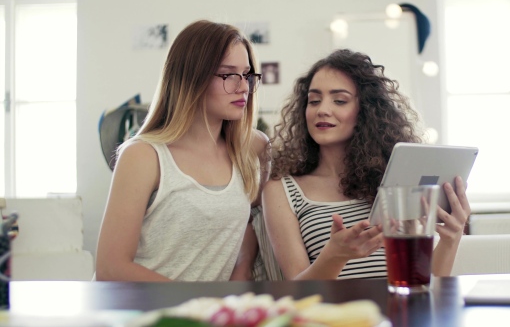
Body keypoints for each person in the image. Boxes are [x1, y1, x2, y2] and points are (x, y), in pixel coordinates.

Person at [262, 49, 470, 280]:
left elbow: (421, 280)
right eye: (314, 101)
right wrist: (334, 256)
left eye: (339, 100)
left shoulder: (395, 181)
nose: (322, 110)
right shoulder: (282, 189)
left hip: (400, 313)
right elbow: (296, 290)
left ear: (366, 111)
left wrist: (452, 237)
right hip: (335, 315)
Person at [95, 20, 269, 282]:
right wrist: (197, 306)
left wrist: (241, 273)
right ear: (191, 77)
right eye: (228, 74)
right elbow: (112, 268)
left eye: (246, 75)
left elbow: (245, 221)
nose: (243, 86)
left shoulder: (252, 148)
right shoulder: (144, 156)